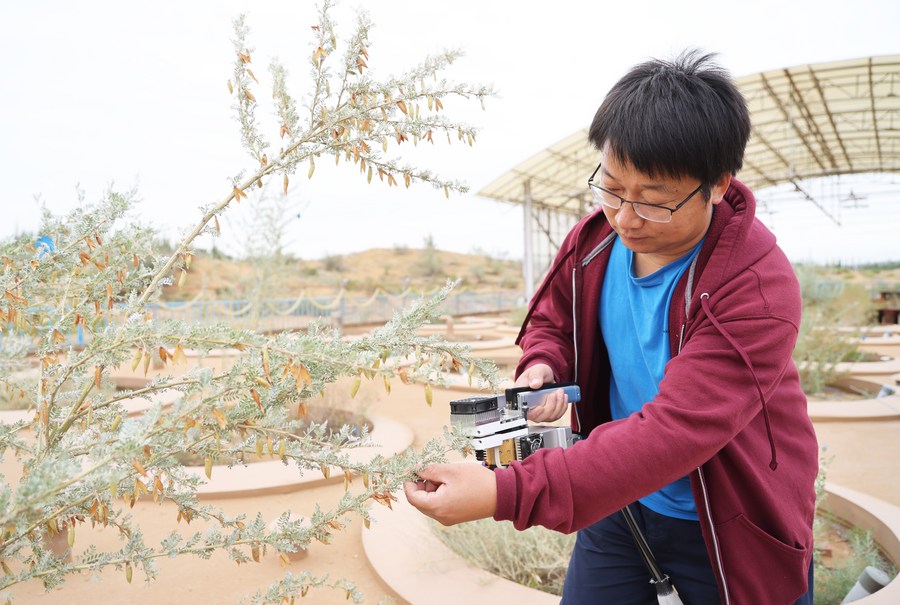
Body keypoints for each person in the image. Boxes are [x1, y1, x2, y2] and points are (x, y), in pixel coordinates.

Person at [404, 50, 818, 605]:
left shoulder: (757, 286)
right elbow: (553, 320)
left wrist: (507, 491)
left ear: (717, 185)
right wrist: (544, 367)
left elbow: (675, 430)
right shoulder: (594, 241)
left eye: (653, 201)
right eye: (613, 186)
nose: (624, 216)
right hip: (617, 499)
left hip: (727, 521)